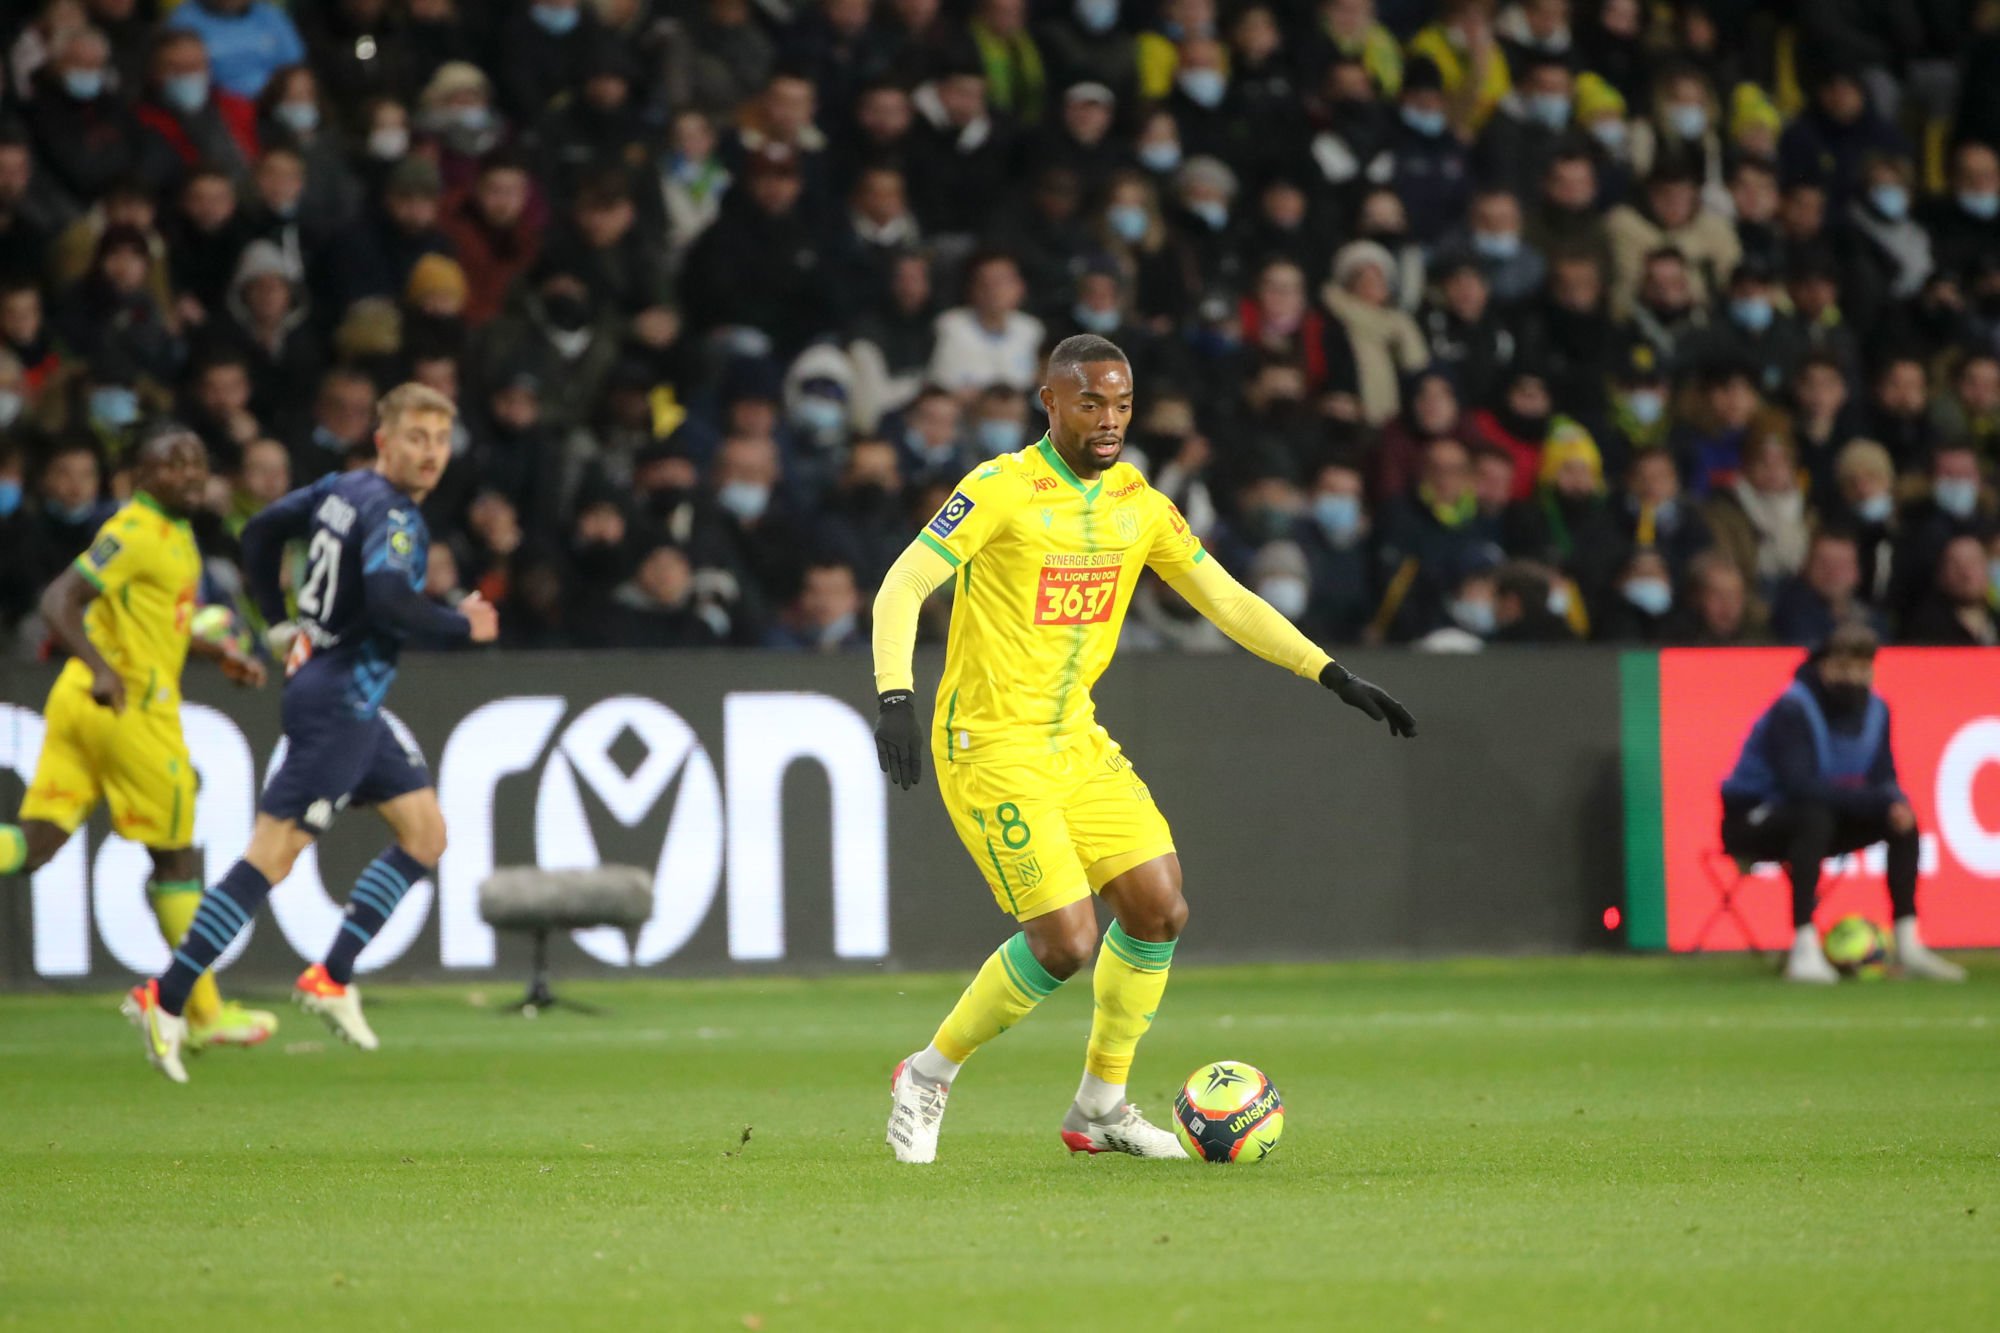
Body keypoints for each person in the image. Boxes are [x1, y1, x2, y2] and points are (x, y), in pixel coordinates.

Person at [869, 334, 1414, 1163]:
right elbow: (904, 582)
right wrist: (895, 696)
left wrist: (1329, 672)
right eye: (1091, 402)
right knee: (1065, 942)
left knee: (1159, 905)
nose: (1109, 420)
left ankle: (1100, 1106)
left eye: (1121, 404)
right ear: (1050, 402)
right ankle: (928, 1071)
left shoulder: (1139, 504)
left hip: (1074, 739)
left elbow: (1226, 600)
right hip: (991, 743)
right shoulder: (1001, 487)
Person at [122, 384, 499, 1084]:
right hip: (338, 706)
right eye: (416, 437)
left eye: (440, 440)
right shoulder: (393, 514)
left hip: (347, 697)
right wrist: (462, 623)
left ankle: (332, 975)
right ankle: (165, 996)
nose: (430, 453)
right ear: (383, 440)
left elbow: (261, 531)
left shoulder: (341, 488)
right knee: (273, 854)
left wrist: (277, 622)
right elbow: (389, 602)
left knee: (425, 833)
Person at [3, 424, 274, 1053]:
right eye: (171, 463)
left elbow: (158, 624)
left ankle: (200, 1011)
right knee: (175, 862)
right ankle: (203, 1014)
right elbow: (57, 600)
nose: (188, 473)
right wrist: (103, 668)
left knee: (35, 845)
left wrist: (216, 653)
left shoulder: (175, 533)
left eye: (196, 461)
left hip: (79, 704)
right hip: (130, 708)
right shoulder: (135, 531)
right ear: (140, 477)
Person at [1720, 622, 1964, 984]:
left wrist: (1894, 801)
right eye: (1843, 667)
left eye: (1861, 669)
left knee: (1902, 820)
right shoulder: (1793, 707)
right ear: (1824, 666)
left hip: (1826, 818)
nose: (1852, 678)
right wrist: (1874, 800)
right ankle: (1804, 946)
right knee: (1813, 816)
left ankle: (1908, 943)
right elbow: (1799, 785)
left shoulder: (1878, 709)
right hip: (1753, 820)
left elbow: (1883, 776)